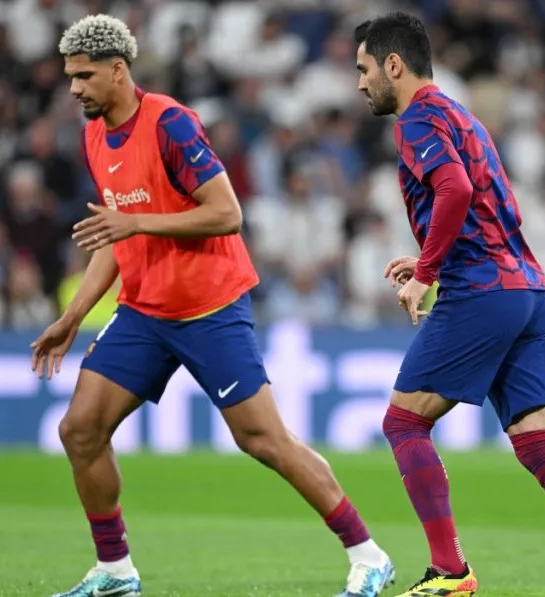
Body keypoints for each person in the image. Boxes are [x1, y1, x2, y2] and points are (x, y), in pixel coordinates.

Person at [30, 15, 394, 597]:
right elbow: (113, 235)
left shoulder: (170, 123)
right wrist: (71, 318)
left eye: (83, 76)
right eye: (71, 77)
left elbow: (227, 213)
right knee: (80, 428)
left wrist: (138, 221)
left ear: (118, 71)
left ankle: (368, 554)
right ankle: (115, 571)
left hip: (209, 308)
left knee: (264, 441)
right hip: (146, 310)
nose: (74, 88)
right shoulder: (94, 135)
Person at [353, 12, 545, 597]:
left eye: (364, 68)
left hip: (482, 290)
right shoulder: (463, 116)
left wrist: (426, 273)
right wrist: (430, 252)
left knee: (403, 423)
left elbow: (456, 189)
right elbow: (481, 205)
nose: (359, 83)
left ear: (393, 65)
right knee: (540, 445)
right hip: (528, 287)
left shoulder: (417, 118)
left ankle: (451, 571)